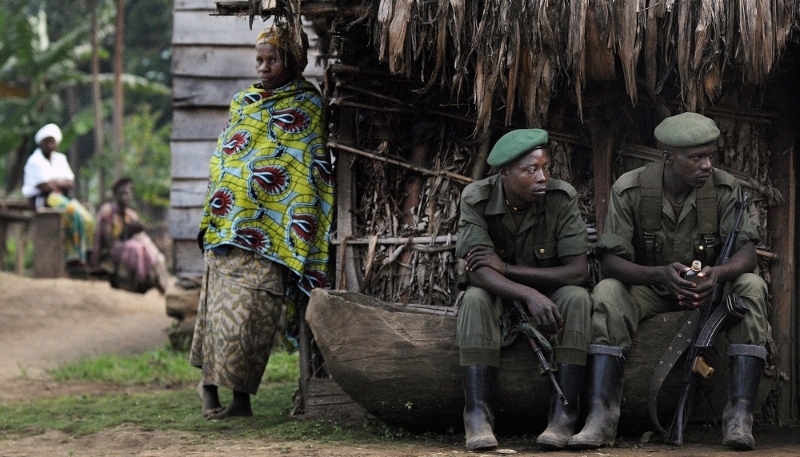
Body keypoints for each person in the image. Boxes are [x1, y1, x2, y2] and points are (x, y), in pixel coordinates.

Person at [569, 112, 769, 450]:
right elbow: (611, 261)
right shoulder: (631, 189)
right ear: (668, 159)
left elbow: (747, 252)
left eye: (710, 155)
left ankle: (740, 415)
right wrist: (659, 274)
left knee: (752, 286)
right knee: (607, 292)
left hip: (708, 292)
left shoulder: (723, 188)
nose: (707, 165)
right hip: (651, 288)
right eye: (696, 158)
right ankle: (601, 418)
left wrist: (717, 274)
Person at [190, 24, 334, 420]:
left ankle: (240, 400)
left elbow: (307, 166)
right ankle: (209, 389)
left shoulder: (307, 105)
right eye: (259, 60)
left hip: (272, 235)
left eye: (273, 60)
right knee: (216, 314)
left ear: (293, 61)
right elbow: (225, 156)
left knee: (252, 319)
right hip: (227, 229)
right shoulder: (244, 103)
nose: (264, 68)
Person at [455, 129, 593, 451]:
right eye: (531, 171)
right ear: (504, 174)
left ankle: (564, 414)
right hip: (499, 296)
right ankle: (477, 415)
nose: (543, 177)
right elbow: (478, 273)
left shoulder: (562, 198)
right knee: (475, 299)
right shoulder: (476, 198)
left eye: (546, 168)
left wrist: (509, 270)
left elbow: (578, 271)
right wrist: (524, 293)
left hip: (552, 295)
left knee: (578, 297)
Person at [21, 123, 94, 266]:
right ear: (41, 143)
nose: (49, 145)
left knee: (87, 218)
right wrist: (58, 182)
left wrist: (53, 182)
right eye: (46, 141)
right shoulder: (34, 161)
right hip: (43, 199)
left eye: (52, 141)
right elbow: (45, 187)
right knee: (73, 213)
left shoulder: (60, 159)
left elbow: (70, 182)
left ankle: (88, 254)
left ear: (56, 143)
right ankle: (72, 256)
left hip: (61, 197)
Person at [91, 177, 170, 294]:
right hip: (110, 251)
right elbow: (106, 240)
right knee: (135, 248)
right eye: (120, 194)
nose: (124, 197)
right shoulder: (107, 211)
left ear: (130, 196)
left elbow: (140, 231)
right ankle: (133, 284)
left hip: (128, 247)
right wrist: (124, 232)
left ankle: (156, 282)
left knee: (146, 246)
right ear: (115, 195)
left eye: (126, 194)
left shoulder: (130, 214)